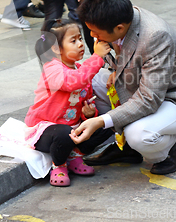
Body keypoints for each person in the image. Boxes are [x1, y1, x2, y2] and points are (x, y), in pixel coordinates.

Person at [71, 0, 176, 175]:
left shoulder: (155, 36)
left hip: (175, 99)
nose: (92, 36)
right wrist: (116, 69)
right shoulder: (112, 21)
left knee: (139, 134)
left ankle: (169, 149)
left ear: (119, 28)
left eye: (96, 32)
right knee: (87, 83)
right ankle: (125, 149)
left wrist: (100, 121)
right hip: (137, 86)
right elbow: (117, 59)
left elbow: (149, 99)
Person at [25, 19, 113, 186]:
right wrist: (97, 57)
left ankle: (75, 155)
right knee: (64, 133)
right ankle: (58, 165)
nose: (80, 44)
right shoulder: (52, 69)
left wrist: (89, 114)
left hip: (71, 126)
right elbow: (74, 82)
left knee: (107, 123)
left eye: (80, 38)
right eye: (73, 41)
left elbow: (84, 98)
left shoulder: (80, 68)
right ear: (56, 48)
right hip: (46, 130)